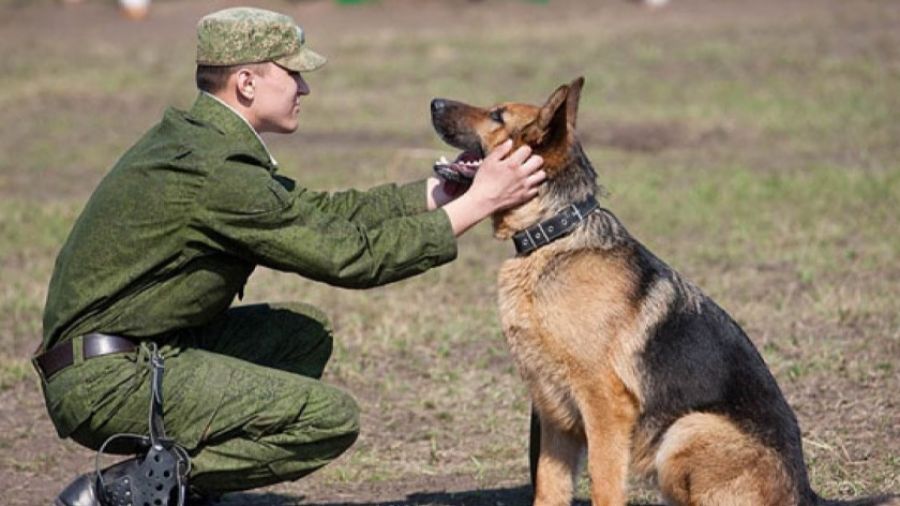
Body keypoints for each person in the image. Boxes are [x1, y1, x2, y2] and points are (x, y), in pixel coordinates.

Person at [34, 6, 545, 504]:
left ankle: (179, 487)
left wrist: (442, 192)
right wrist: (479, 204)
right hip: (105, 382)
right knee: (327, 420)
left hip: (124, 354)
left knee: (301, 337)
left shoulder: (204, 142)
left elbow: (323, 214)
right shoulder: (219, 172)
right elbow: (351, 258)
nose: (304, 88)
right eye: (293, 74)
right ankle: (126, 492)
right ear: (247, 83)